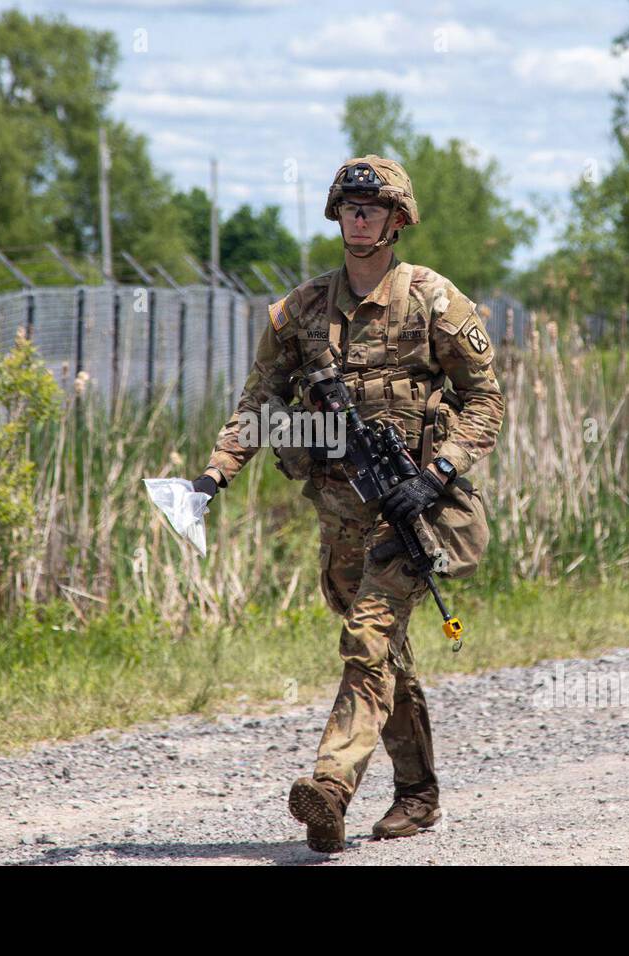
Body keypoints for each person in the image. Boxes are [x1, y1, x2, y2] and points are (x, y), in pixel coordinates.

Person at [191, 154, 504, 852]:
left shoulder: (433, 301)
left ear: (398, 220)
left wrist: (439, 468)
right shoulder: (300, 311)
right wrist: (214, 475)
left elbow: (485, 401)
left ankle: (329, 791)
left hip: (412, 513)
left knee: (366, 641)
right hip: (339, 519)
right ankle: (419, 795)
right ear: (337, 215)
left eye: (375, 208)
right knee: (385, 657)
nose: (361, 217)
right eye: (351, 207)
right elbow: (259, 407)